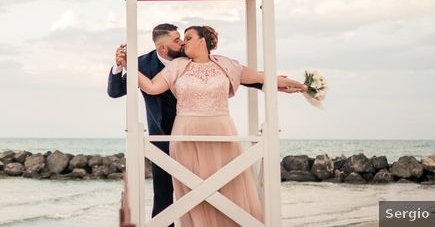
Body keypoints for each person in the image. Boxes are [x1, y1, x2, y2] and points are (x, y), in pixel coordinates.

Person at [137, 26, 306, 227]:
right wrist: (130, 67)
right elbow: (151, 87)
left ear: (202, 41)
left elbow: (262, 78)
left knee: (228, 186)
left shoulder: (226, 65)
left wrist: (299, 85)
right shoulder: (177, 66)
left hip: (222, 132)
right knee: (194, 192)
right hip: (186, 135)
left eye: (188, 38)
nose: (183, 42)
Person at [107, 23, 267, 224]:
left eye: (182, 38)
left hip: (203, 137)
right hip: (163, 140)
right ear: (162, 48)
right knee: (164, 197)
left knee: (215, 190)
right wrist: (120, 65)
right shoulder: (143, 64)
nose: (182, 42)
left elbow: (229, 74)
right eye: (176, 40)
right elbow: (115, 91)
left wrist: (267, 83)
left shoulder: (189, 58)